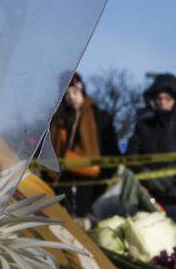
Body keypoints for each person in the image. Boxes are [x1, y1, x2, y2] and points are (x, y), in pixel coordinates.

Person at [126, 72, 176, 219]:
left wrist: (174, 177)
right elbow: (131, 156)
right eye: (159, 98)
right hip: (150, 198)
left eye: (167, 98)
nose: (162, 102)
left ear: (175, 100)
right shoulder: (143, 127)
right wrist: (147, 175)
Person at [48, 72, 121, 206]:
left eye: (75, 92)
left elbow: (111, 151)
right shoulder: (59, 121)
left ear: (82, 90)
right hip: (62, 184)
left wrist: (103, 180)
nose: (71, 97)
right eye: (67, 94)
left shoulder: (100, 118)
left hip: (92, 185)